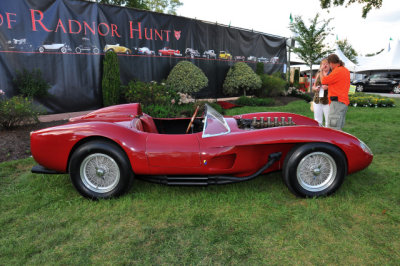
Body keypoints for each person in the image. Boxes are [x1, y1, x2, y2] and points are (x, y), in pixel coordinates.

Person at [321, 54, 350, 130]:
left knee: (333, 128)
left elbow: (324, 80)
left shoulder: (337, 71)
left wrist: (323, 70)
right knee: (338, 127)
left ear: (331, 63)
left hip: (337, 103)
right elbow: (338, 84)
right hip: (343, 102)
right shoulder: (345, 70)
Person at [312, 58, 330, 126]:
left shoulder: (331, 74)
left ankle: (328, 135)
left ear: (329, 65)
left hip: (327, 100)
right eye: (323, 64)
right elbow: (313, 87)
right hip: (317, 99)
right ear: (321, 65)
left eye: (326, 64)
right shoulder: (318, 74)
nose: (325, 65)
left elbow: (336, 86)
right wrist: (316, 88)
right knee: (317, 120)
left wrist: (327, 87)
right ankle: (319, 135)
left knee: (328, 120)